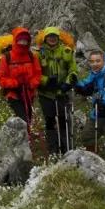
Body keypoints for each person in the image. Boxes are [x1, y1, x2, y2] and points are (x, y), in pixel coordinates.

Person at [37, 27, 79, 156]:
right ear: (45, 38)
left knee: (63, 121)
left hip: (62, 93)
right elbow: (34, 74)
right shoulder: (39, 54)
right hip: (45, 93)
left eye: (54, 36)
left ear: (58, 37)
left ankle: (67, 149)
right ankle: (53, 151)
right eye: (49, 36)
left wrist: (67, 83)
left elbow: (73, 70)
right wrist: (46, 81)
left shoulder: (67, 51)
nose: (52, 38)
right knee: (49, 121)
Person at [0, 27, 42, 124]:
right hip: (14, 94)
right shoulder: (7, 57)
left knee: (28, 119)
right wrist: (16, 83)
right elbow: (1, 78)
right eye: (21, 40)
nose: (23, 43)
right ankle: (25, 137)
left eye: (25, 41)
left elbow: (38, 73)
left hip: (29, 93)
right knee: (23, 120)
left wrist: (31, 84)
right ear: (16, 40)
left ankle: (27, 137)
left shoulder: (31, 56)